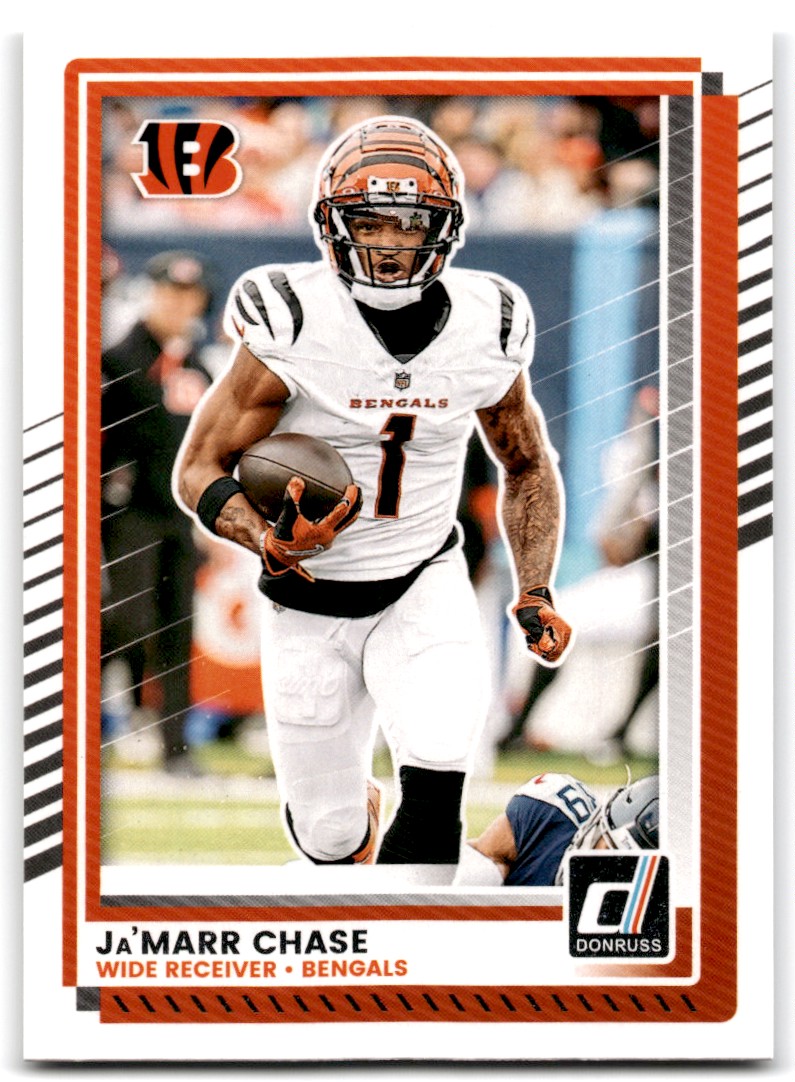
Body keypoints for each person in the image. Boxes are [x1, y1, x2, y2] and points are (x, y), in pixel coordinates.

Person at [174, 115, 573, 881]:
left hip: (424, 577)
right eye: (369, 221)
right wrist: (265, 539)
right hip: (307, 596)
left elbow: (526, 462)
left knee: (438, 767)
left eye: (409, 222)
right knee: (326, 839)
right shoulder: (291, 317)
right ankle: (404, 847)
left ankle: (439, 910)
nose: (389, 242)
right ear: (332, 223)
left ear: (445, 228)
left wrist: (534, 589)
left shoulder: (487, 322)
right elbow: (198, 467)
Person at [101, 250, 215, 775]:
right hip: (131, 513)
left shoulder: (195, 363)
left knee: (176, 631)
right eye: (169, 293)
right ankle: (80, 715)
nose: (177, 305)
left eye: (188, 296)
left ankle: (176, 751)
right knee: (127, 620)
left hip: (179, 516)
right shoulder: (119, 358)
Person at [456, 772, 659, 886]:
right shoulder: (549, 811)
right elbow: (480, 859)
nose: (604, 872)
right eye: (608, 851)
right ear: (598, 825)